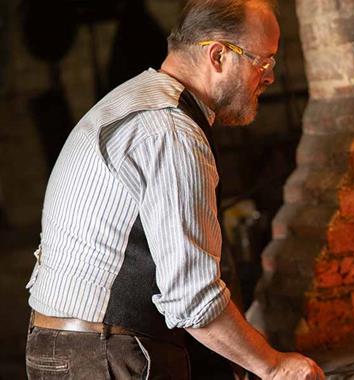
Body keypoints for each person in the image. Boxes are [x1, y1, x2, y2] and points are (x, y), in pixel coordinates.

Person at [24, 0, 325, 379]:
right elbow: (192, 298)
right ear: (218, 56)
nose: (268, 77)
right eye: (262, 62)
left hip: (62, 347)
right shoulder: (170, 132)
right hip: (106, 356)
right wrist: (274, 365)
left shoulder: (134, 101)